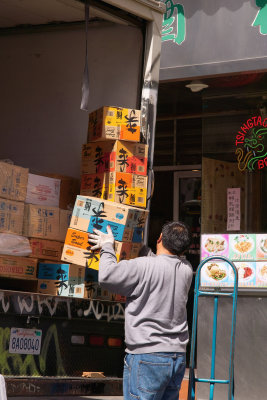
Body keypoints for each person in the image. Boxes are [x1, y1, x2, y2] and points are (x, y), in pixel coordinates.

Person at [89, 221, 193, 400]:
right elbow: (159, 265)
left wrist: (107, 247)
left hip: (148, 356)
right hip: (177, 357)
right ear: (183, 249)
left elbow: (107, 276)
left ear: (159, 238)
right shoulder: (186, 269)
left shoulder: (141, 266)